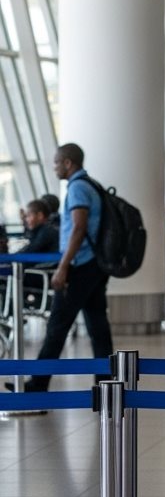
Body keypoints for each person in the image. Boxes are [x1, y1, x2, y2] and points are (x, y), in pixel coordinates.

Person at [7, 144, 112, 393]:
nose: (53, 167)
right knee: (98, 326)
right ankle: (107, 382)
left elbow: (78, 228)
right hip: (94, 266)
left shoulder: (77, 188)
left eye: (56, 163)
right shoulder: (92, 185)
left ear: (68, 163)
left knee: (57, 326)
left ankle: (38, 384)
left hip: (80, 266)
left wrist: (63, 267)